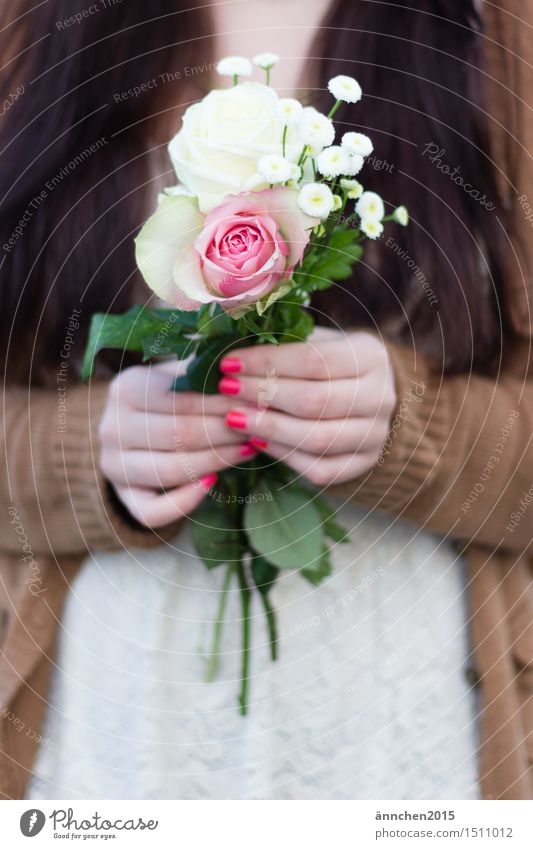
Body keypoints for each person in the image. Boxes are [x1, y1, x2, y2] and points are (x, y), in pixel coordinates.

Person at [0, 0, 531, 800]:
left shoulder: (503, 33)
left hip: (408, 740)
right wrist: (83, 453)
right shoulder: (27, 25)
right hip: (106, 743)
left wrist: (422, 432)